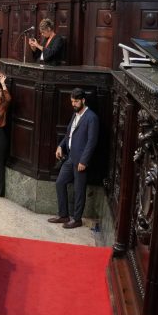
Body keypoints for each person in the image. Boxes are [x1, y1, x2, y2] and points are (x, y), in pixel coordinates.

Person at [50, 88, 99, 229]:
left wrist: (84, 161)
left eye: (76, 101)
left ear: (83, 100)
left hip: (80, 160)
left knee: (79, 190)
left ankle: (77, 219)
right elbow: (69, 134)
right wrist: (61, 146)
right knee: (60, 183)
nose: (74, 104)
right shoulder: (75, 114)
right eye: (72, 101)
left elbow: (92, 142)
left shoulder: (91, 118)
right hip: (71, 157)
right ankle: (63, 215)